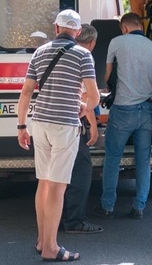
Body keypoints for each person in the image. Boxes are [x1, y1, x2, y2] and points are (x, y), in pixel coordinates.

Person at [17, 9, 100, 262]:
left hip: (39, 123)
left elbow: (26, 92)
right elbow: (94, 97)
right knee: (57, 187)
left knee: (43, 183)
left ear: (56, 28)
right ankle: (52, 248)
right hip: (64, 126)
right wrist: (83, 105)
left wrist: (21, 126)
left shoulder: (39, 53)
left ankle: (42, 241)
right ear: (76, 32)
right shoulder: (83, 55)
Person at [93, 12, 152, 220]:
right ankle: (139, 207)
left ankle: (107, 206)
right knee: (143, 161)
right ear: (140, 25)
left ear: (124, 27)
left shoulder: (117, 42)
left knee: (113, 158)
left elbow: (106, 76)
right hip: (145, 111)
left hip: (122, 109)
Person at [61, 23, 103, 234]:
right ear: (92, 42)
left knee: (56, 174)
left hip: (51, 122)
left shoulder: (55, 52)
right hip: (73, 122)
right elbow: (86, 97)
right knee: (81, 170)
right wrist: (93, 126)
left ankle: (56, 219)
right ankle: (74, 221)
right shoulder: (84, 56)